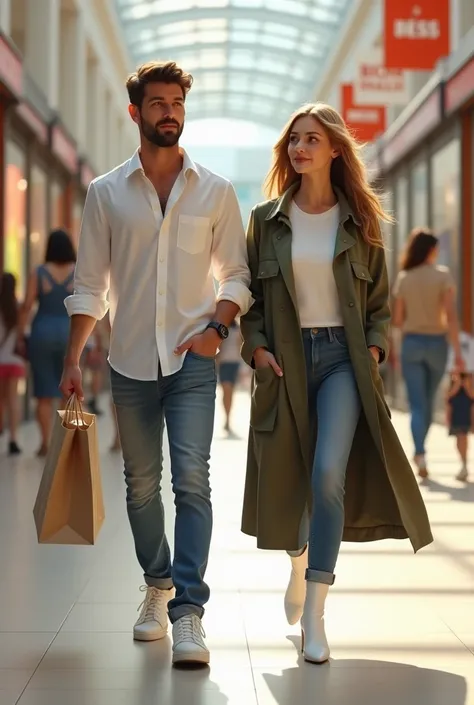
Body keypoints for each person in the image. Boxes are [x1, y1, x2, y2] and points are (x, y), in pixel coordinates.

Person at [60, 61, 252, 666]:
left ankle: (189, 610)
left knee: (193, 479)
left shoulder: (216, 191)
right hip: (129, 362)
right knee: (141, 487)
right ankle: (157, 583)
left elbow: (238, 276)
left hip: (194, 361)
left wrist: (216, 330)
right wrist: (72, 357)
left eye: (178, 103)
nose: (170, 112)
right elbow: (90, 285)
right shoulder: (105, 193)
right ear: (135, 112)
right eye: (159, 103)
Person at [239, 103, 433, 665]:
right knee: (293, 476)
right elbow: (250, 300)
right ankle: (298, 559)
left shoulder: (362, 222)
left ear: (335, 150)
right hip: (287, 359)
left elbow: (379, 306)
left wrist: (373, 348)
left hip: (344, 360)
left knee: (328, 473)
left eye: (312, 139)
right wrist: (256, 348)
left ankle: (317, 613)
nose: (300, 148)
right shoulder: (265, 220)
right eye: (294, 140)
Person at [392, 229, 464, 478]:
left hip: (412, 344)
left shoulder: (405, 278)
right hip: (437, 345)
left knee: (417, 405)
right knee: (429, 403)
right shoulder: (442, 276)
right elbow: (451, 318)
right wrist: (458, 353)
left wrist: (398, 350)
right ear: (431, 250)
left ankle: (420, 454)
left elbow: (398, 320)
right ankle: (420, 451)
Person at [18, 230, 76, 456]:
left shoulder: (39, 273)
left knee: (43, 392)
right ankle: (64, 444)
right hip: (69, 335)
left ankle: (45, 442)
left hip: (41, 333)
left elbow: (26, 306)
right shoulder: (77, 272)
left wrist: (22, 334)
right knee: (68, 391)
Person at [0, 273, 25, 455]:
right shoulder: (19, 309)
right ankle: (13, 438)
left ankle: (1, 429)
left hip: (1, 360)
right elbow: (23, 335)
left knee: (1, 399)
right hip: (15, 360)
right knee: (13, 399)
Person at [446, 372, 473, 482]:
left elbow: (472, 395)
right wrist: (457, 384)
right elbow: (448, 396)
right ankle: (463, 464)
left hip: (466, 414)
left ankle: (464, 465)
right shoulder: (452, 377)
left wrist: (466, 384)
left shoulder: (470, 377)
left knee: (463, 438)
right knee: (458, 441)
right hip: (456, 414)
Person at [216, 320, 242, 434]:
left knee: (230, 392)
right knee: (226, 390)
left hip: (235, 363)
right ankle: (226, 419)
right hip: (224, 363)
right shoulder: (221, 328)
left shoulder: (238, 329)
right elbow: (218, 348)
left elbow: (241, 346)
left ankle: (228, 419)